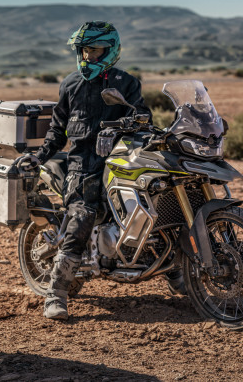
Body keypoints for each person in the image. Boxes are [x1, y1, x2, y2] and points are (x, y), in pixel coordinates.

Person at [32, 21, 152, 320]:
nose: (88, 57)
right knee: (82, 215)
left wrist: (131, 124)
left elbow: (143, 116)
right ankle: (56, 293)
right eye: (84, 51)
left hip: (120, 161)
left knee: (156, 201)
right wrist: (39, 156)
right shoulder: (71, 84)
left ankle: (176, 272)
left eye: (95, 51)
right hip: (82, 164)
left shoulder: (126, 83)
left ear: (110, 51)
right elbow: (57, 129)